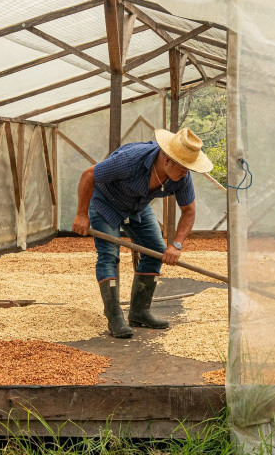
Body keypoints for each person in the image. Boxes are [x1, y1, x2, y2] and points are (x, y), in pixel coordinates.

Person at [72, 127, 213, 338]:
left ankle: (139, 312)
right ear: (167, 160)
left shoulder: (181, 177)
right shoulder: (130, 160)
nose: (186, 173)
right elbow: (88, 175)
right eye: (183, 168)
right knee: (109, 255)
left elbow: (189, 211)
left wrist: (175, 245)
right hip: (105, 202)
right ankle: (114, 316)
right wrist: (82, 214)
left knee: (155, 250)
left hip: (138, 207)